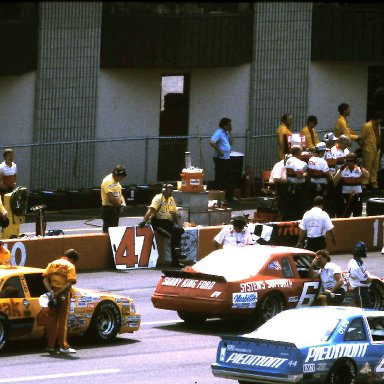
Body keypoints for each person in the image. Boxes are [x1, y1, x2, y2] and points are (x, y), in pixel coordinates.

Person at [138, 184, 185, 268]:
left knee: (179, 230)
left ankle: (177, 252)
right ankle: (176, 258)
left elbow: (174, 214)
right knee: (174, 235)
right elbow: (151, 210)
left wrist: (176, 225)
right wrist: (144, 221)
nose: (171, 191)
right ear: (164, 190)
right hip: (158, 222)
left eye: (172, 189)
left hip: (167, 222)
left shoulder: (171, 199)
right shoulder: (158, 198)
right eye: (169, 189)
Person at [42, 249, 79, 354]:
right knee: (62, 321)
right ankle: (64, 346)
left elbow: (44, 279)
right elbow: (70, 283)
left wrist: (52, 292)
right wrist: (59, 293)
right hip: (63, 294)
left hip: (52, 293)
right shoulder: (70, 266)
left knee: (52, 321)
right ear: (72, 259)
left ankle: (50, 346)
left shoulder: (52, 263)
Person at [333, 152, 369, 217]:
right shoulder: (342, 170)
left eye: (351, 161)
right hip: (345, 196)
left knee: (357, 215)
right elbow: (335, 180)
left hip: (357, 195)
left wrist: (360, 167)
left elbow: (367, 175)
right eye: (347, 160)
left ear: (355, 161)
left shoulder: (359, 169)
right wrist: (341, 169)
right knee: (345, 214)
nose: (349, 162)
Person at [210, 117, 234, 202]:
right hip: (220, 158)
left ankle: (229, 198)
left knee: (229, 178)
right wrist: (219, 151)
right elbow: (212, 142)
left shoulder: (226, 133)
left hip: (227, 158)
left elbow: (231, 143)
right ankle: (217, 198)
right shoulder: (219, 132)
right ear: (224, 125)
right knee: (220, 178)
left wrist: (230, 132)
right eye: (228, 125)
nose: (230, 126)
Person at [307, 142, 334, 214]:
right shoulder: (322, 161)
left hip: (312, 186)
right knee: (323, 204)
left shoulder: (310, 159)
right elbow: (329, 175)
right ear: (323, 151)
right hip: (322, 187)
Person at [360, 110, 384, 190]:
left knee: (375, 166)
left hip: (376, 148)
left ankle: (373, 181)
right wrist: (363, 148)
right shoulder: (366, 126)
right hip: (368, 148)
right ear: (377, 119)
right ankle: (364, 183)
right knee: (367, 166)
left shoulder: (378, 126)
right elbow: (362, 138)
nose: (381, 120)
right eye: (380, 119)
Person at [283, 146, 308, 220]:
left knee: (290, 206)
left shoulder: (288, 160)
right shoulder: (298, 162)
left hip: (290, 187)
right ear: (298, 152)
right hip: (298, 188)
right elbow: (299, 175)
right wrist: (306, 174)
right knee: (299, 207)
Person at [100, 165, 127, 233]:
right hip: (109, 209)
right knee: (108, 232)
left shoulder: (115, 182)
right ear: (119, 176)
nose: (121, 179)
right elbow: (111, 198)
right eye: (121, 177)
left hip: (115, 208)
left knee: (114, 231)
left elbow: (119, 194)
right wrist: (119, 206)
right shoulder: (108, 181)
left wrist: (123, 203)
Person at [348, 241, 374, 308]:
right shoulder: (356, 266)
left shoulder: (353, 261)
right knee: (365, 310)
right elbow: (367, 280)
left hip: (359, 289)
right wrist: (372, 278)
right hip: (360, 291)